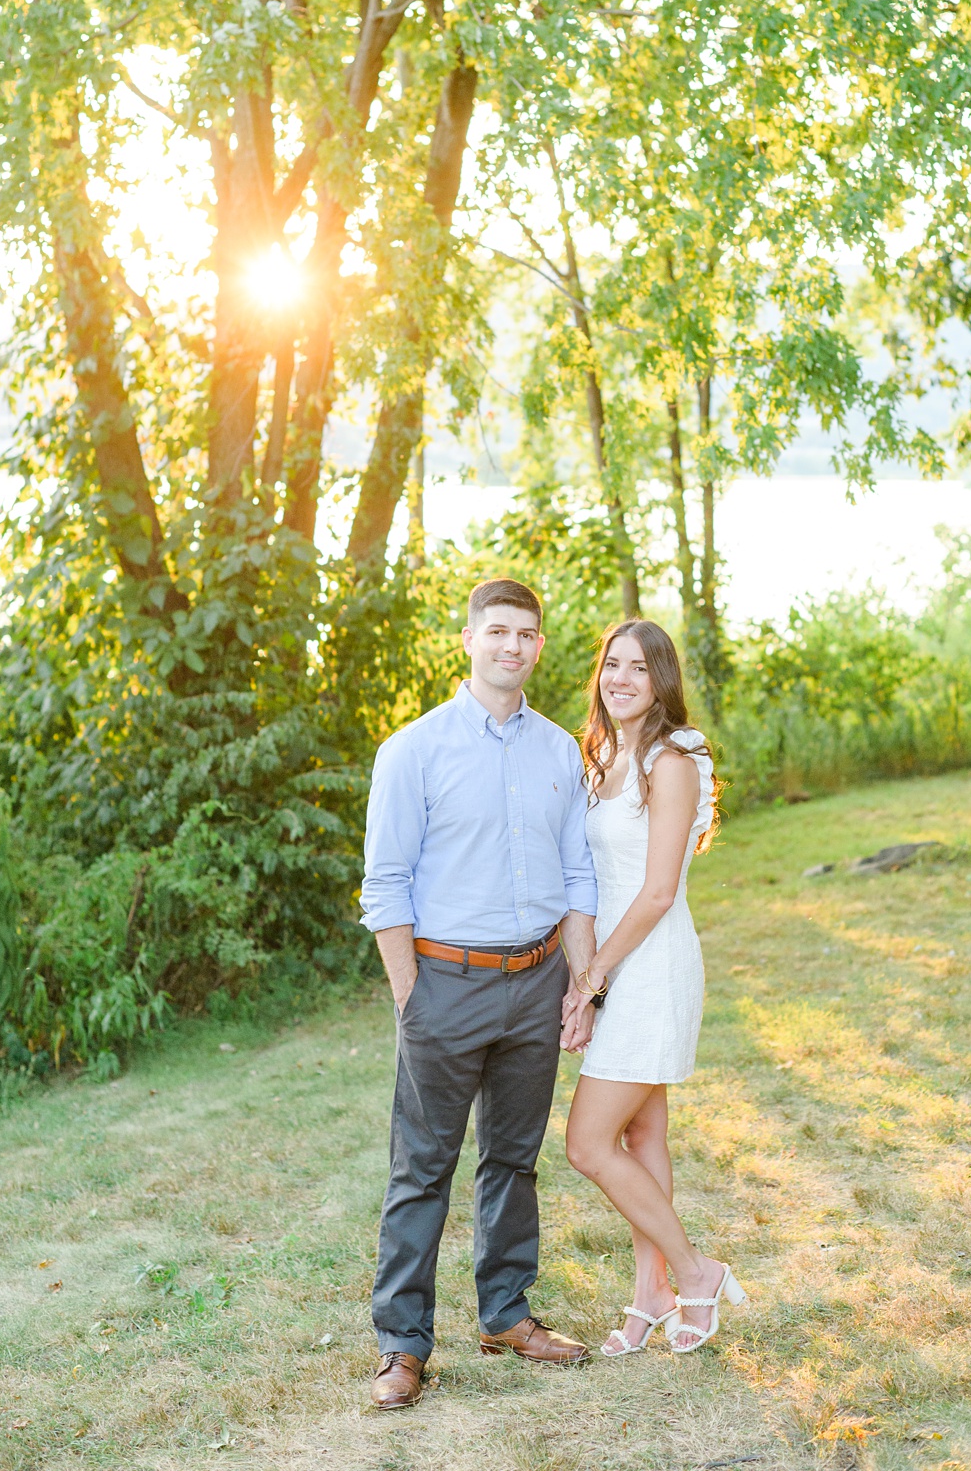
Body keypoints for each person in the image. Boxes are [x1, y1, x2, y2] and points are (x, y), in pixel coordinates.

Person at [360, 577, 600, 1411]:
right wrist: (410, 998)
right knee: (422, 1168)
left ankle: (505, 1314)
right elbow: (385, 883)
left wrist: (582, 982)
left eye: (527, 634)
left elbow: (579, 875)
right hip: (445, 984)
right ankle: (402, 1345)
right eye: (497, 631)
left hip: (537, 981)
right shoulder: (414, 750)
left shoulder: (561, 750)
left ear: (539, 646)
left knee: (512, 1160)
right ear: (468, 640)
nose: (513, 646)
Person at [558, 619, 744, 1356]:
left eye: (639, 667)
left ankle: (697, 1270)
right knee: (643, 1133)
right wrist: (583, 969)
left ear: (661, 679)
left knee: (587, 1143)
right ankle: (652, 1294)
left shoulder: (671, 760)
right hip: (610, 959)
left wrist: (597, 977)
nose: (621, 679)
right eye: (612, 664)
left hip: (651, 964)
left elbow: (659, 889)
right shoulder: (602, 756)